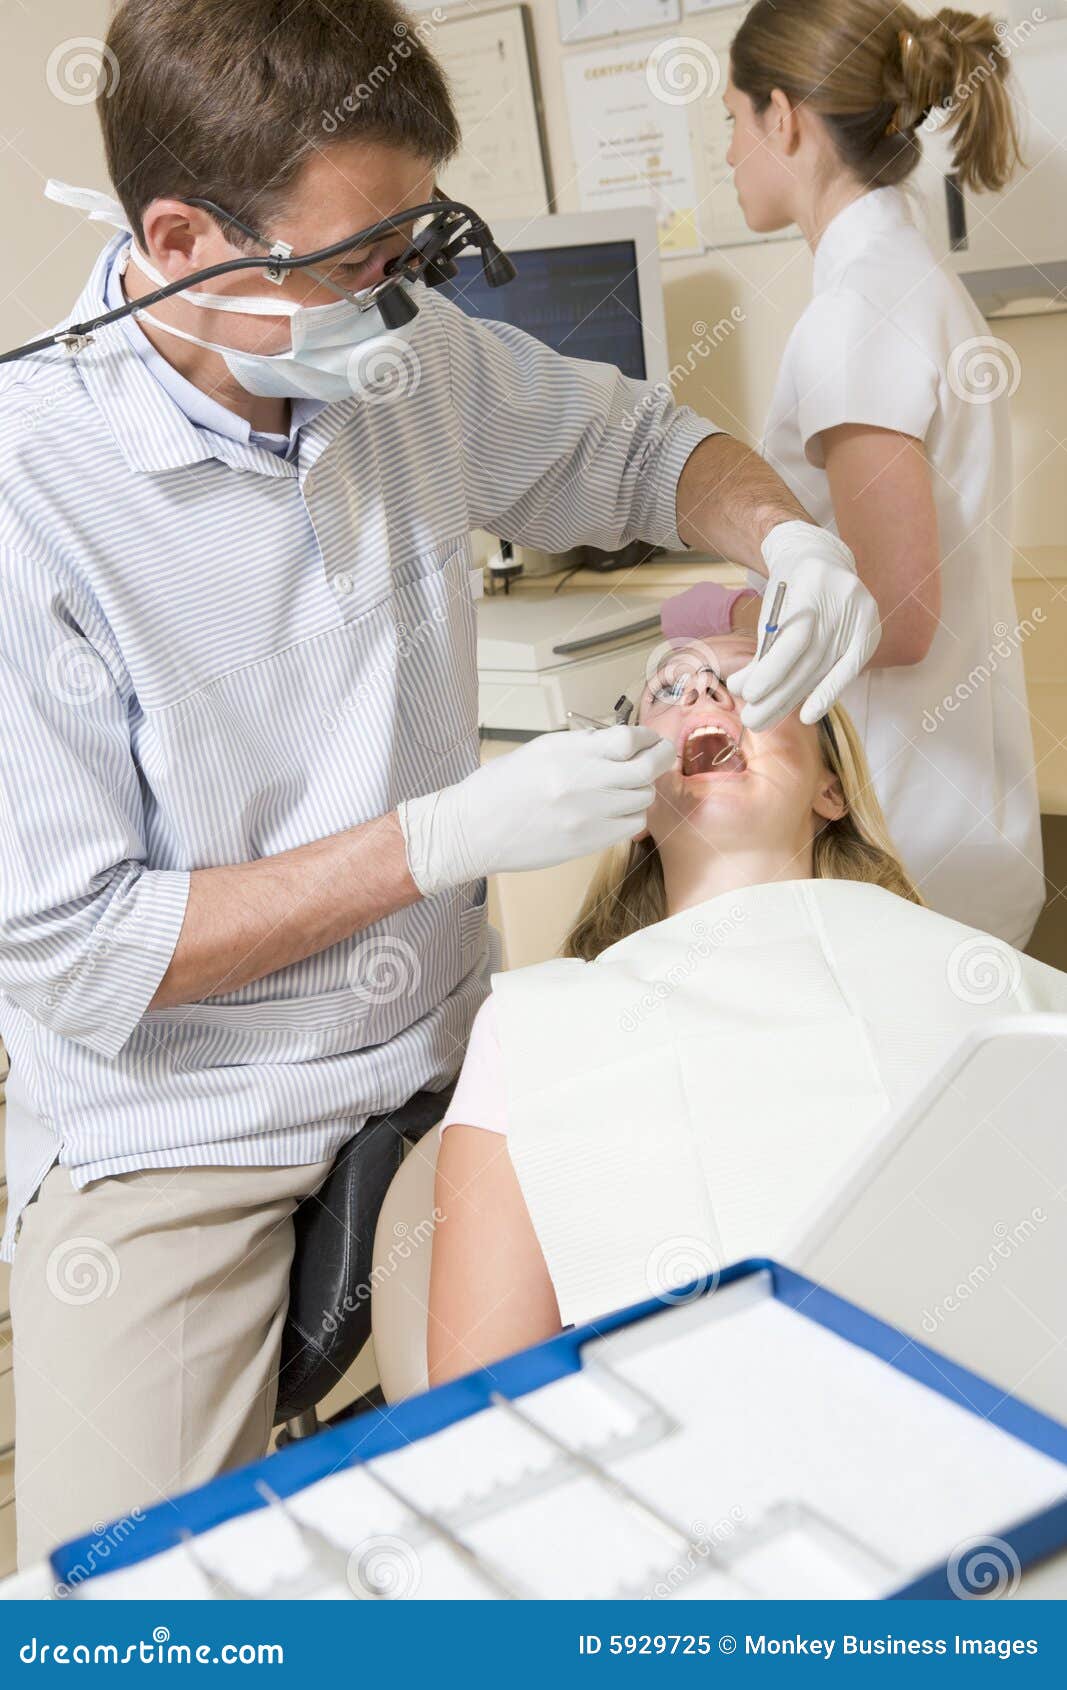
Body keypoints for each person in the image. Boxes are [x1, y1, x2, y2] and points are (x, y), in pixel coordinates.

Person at [0, 0, 880, 1561]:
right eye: (354, 262)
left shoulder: (406, 357)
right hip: (182, 1119)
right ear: (183, 240)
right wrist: (436, 839)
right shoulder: (31, 499)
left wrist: (785, 536)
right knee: (125, 1609)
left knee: (536, 1498)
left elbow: (638, 447)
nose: (394, 300)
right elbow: (82, 951)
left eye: (412, 246)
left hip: (444, 1056)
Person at [426, 634, 1067, 1386]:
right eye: (668, 689)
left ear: (831, 789)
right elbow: (481, 1393)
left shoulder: (994, 992)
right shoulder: (534, 1031)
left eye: (756, 681)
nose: (705, 692)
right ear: (633, 799)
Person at [664, 0, 1043, 947]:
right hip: (944, 815)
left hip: (904, 832)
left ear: (782, 117)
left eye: (732, 119)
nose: (728, 153)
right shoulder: (903, 279)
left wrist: (728, 619)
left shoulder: (858, 310)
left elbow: (895, 615)